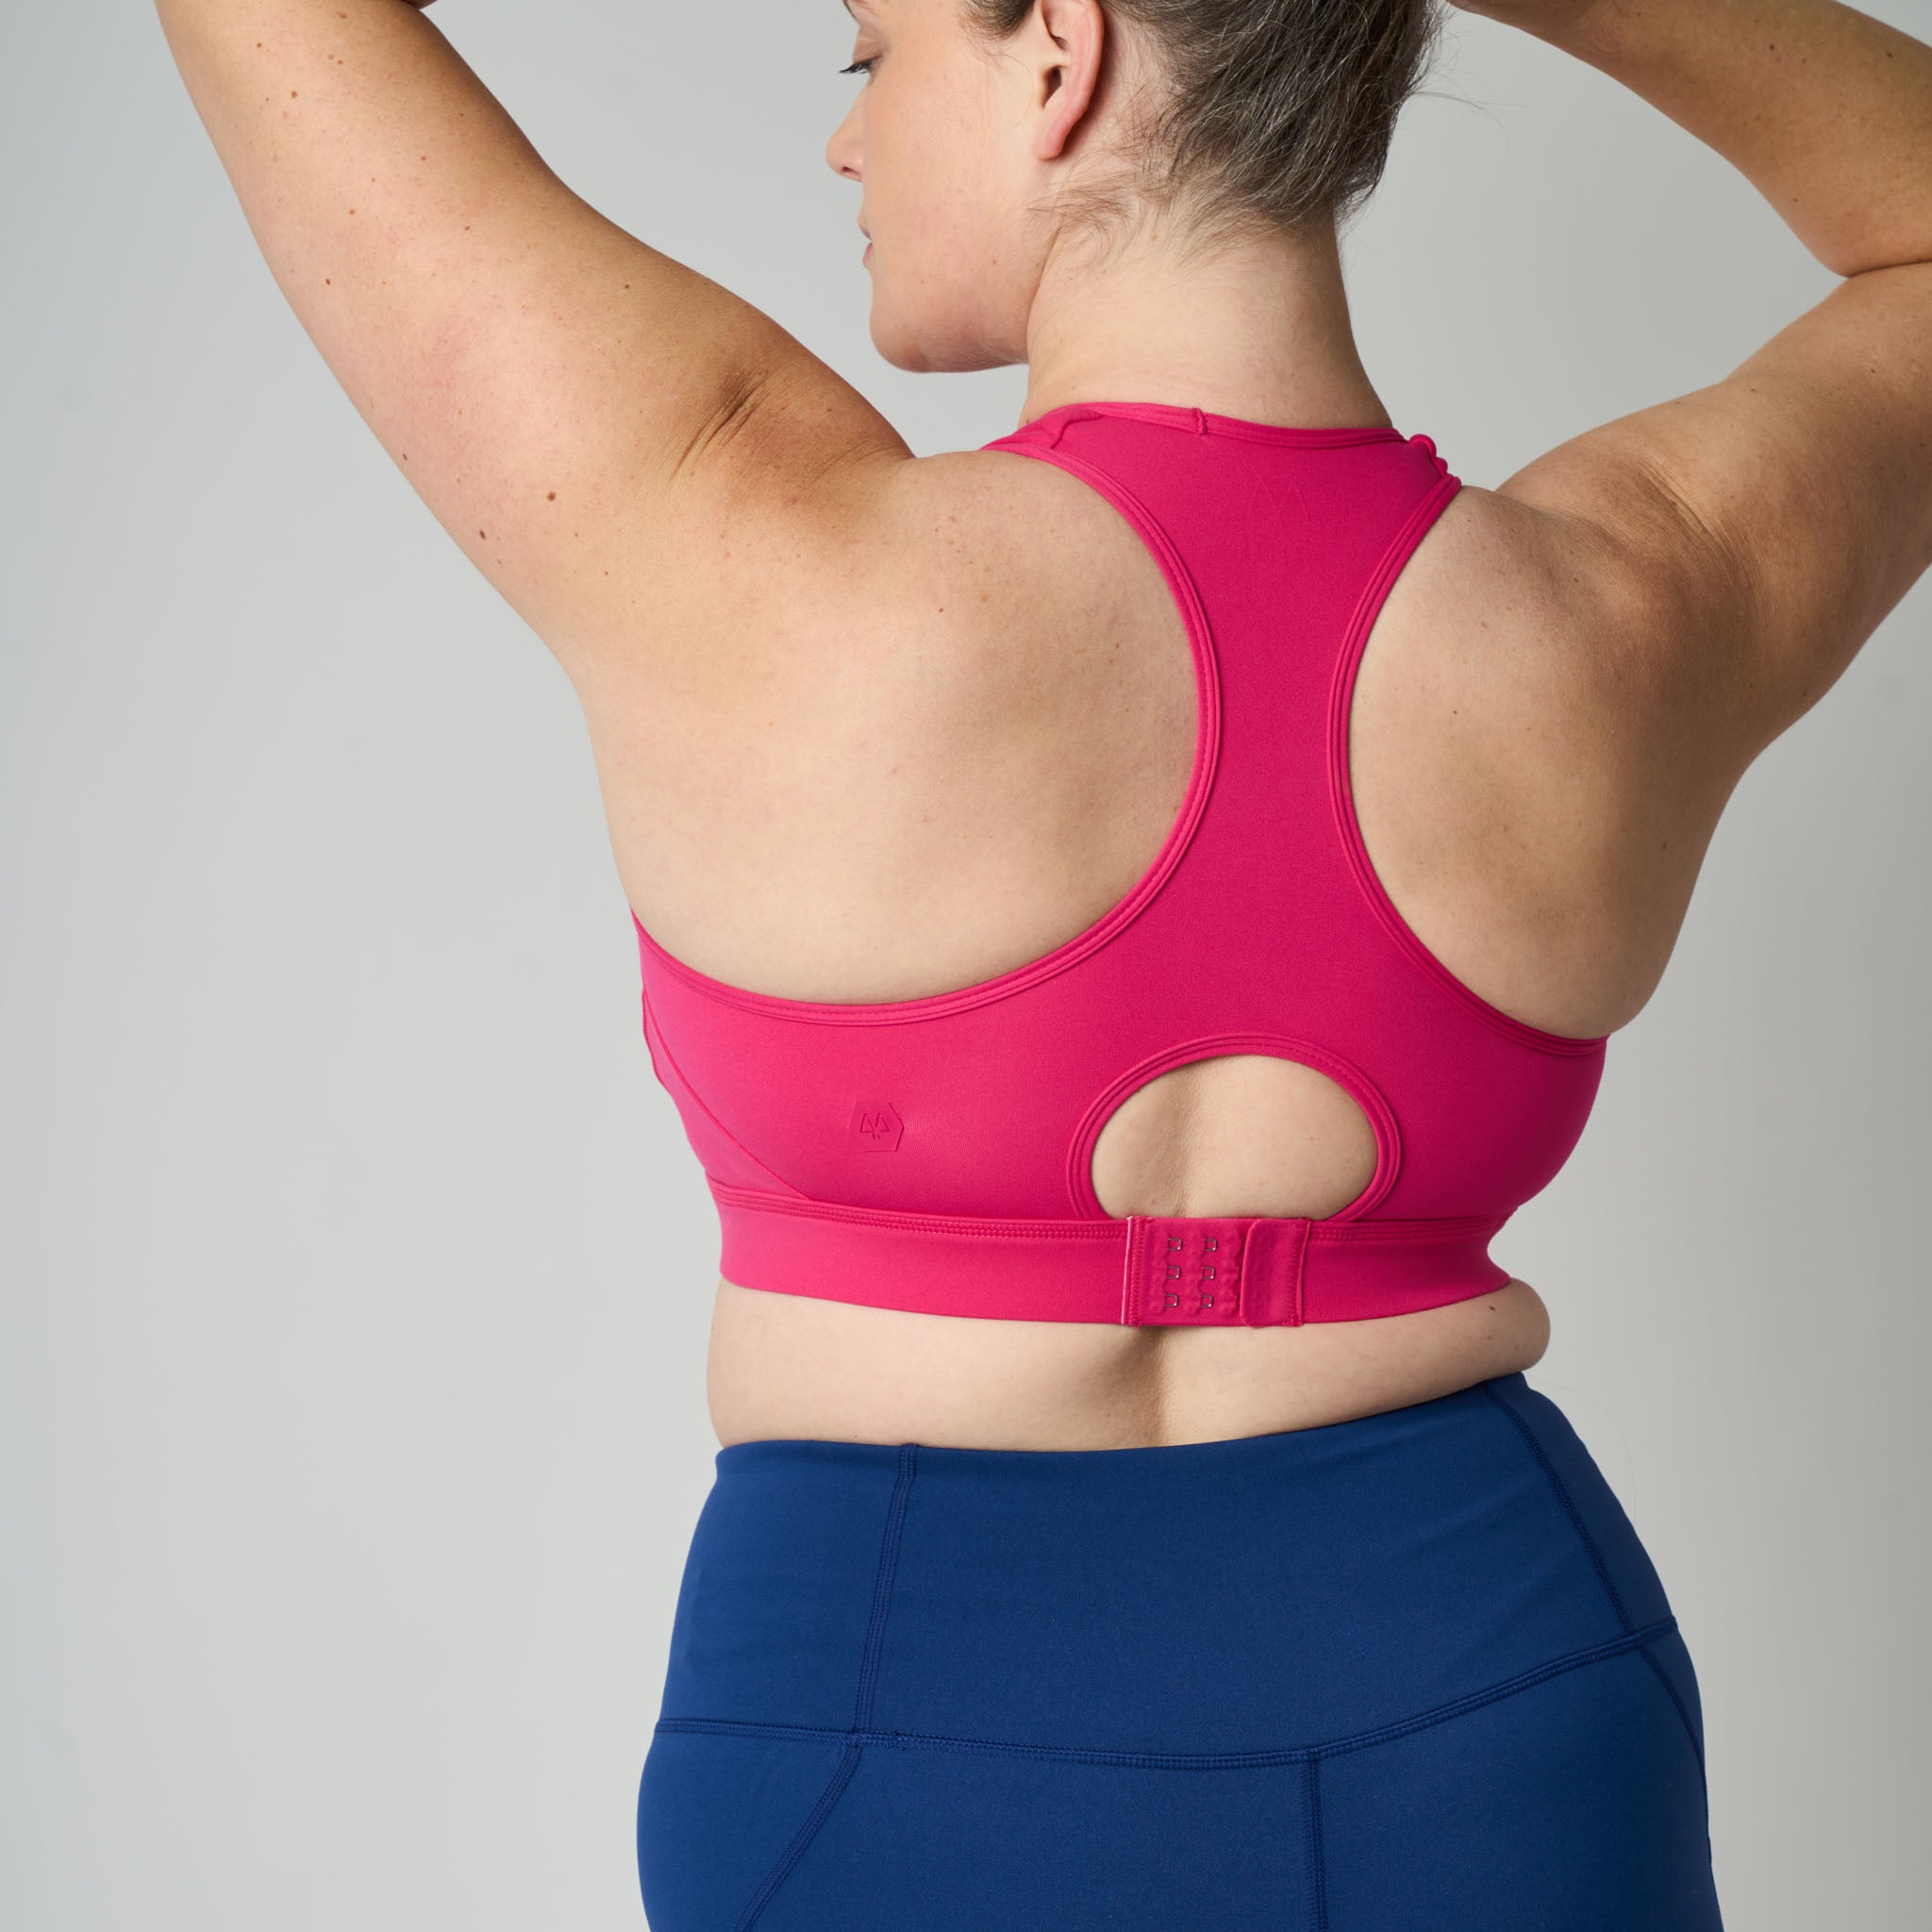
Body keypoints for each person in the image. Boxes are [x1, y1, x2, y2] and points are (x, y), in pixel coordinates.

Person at [152, 0, 1931, 1922]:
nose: (847, 144)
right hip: (1496, 1701)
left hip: (891, 1729)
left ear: (1058, 54)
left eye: (871, 57)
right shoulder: (1622, 603)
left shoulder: (739, 529)